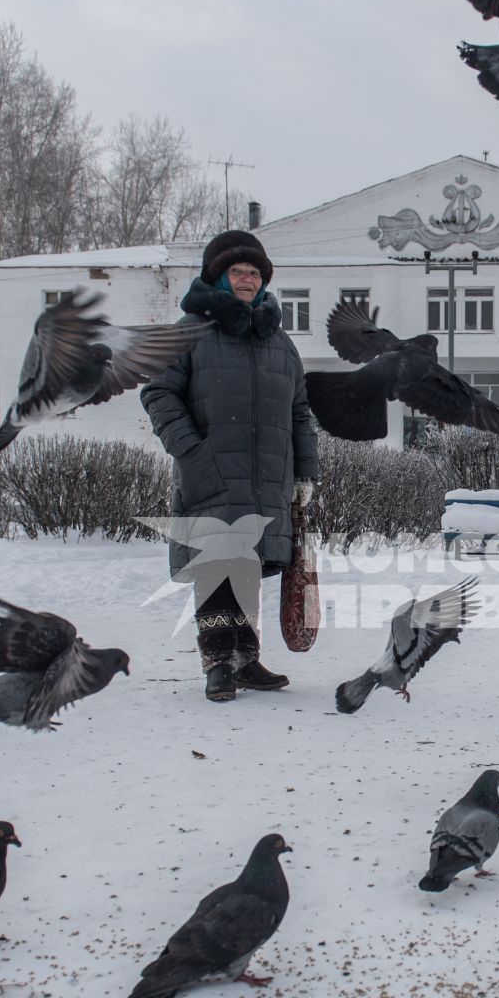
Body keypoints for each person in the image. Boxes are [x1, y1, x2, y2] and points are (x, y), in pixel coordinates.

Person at [141, 229, 318, 702]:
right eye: (237, 272)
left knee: (247, 565)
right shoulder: (191, 331)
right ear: (218, 278)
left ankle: (245, 657)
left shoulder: (279, 342)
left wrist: (305, 474)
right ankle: (218, 662)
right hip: (211, 475)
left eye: (254, 273)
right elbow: (157, 392)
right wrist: (192, 452)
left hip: (267, 480)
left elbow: (299, 411)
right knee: (217, 565)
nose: (246, 280)